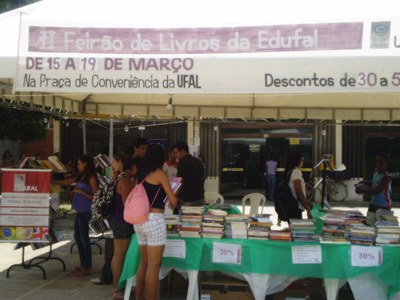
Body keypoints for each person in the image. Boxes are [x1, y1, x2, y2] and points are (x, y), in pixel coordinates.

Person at [134, 144, 178, 300]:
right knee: (154, 266)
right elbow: (172, 200)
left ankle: (139, 297)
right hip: (154, 220)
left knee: (143, 263)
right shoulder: (160, 173)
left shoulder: (140, 173)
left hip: (139, 220)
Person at [53, 154, 98, 276]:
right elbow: (67, 182)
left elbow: (95, 197)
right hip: (79, 210)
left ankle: (87, 266)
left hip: (85, 211)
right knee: (78, 237)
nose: (77, 166)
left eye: (79, 163)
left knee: (84, 239)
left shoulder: (92, 178)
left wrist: (81, 192)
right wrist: (53, 180)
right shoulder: (81, 176)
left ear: (85, 164)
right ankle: (83, 264)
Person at [108, 154, 138, 300]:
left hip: (119, 220)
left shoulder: (120, 178)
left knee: (120, 254)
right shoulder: (125, 180)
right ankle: (117, 288)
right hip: (122, 221)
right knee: (119, 254)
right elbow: (127, 203)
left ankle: (119, 286)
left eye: (114, 161)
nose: (113, 164)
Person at [356, 152, 392, 225]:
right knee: (369, 225)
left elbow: (377, 191)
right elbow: (373, 183)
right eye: (377, 162)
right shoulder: (376, 173)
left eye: (381, 162)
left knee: (382, 228)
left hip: (383, 206)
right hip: (373, 204)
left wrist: (362, 191)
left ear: (386, 163)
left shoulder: (386, 177)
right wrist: (364, 182)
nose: (378, 164)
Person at [172, 142, 205, 206]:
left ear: (183, 151)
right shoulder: (198, 162)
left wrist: (174, 197)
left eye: (176, 152)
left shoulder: (183, 162)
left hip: (187, 200)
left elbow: (180, 181)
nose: (175, 156)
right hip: (200, 198)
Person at [286, 151, 312, 220]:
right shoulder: (296, 171)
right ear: (297, 160)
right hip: (295, 207)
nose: (303, 161)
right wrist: (307, 209)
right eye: (302, 159)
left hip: (291, 206)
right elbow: (299, 192)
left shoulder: (289, 171)